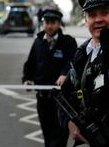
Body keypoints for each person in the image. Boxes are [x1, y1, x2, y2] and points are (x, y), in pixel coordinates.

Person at [59, 0, 109, 147]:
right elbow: (64, 95)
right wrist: (69, 123)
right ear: (85, 20)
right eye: (92, 15)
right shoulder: (82, 54)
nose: (98, 19)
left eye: (104, 13)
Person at [22, 8, 77, 147]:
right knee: (47, 136)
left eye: (53, 22)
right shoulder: (38, 42)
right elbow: (30, 64)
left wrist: (65, 73)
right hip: (43, 98)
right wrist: (27, 79)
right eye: (47, 22)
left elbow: (74, 61)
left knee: (58, 138)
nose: (49, 25)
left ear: (59, 24)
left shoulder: (68, 42)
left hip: (61, 100)